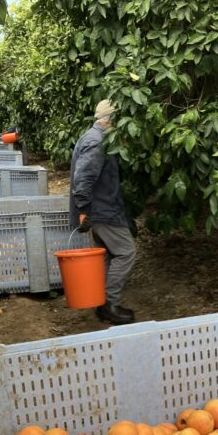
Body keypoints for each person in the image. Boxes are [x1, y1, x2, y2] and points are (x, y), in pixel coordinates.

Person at [70, 99, 136, 325]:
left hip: (101, 208)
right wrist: (84, 210)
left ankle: (103, 303)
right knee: (126, 252)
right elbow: (83, 180)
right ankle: (109, 303)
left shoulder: (95, 137)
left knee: (107, 255)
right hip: (102, 211)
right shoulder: (97, 141)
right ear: (112, 119)